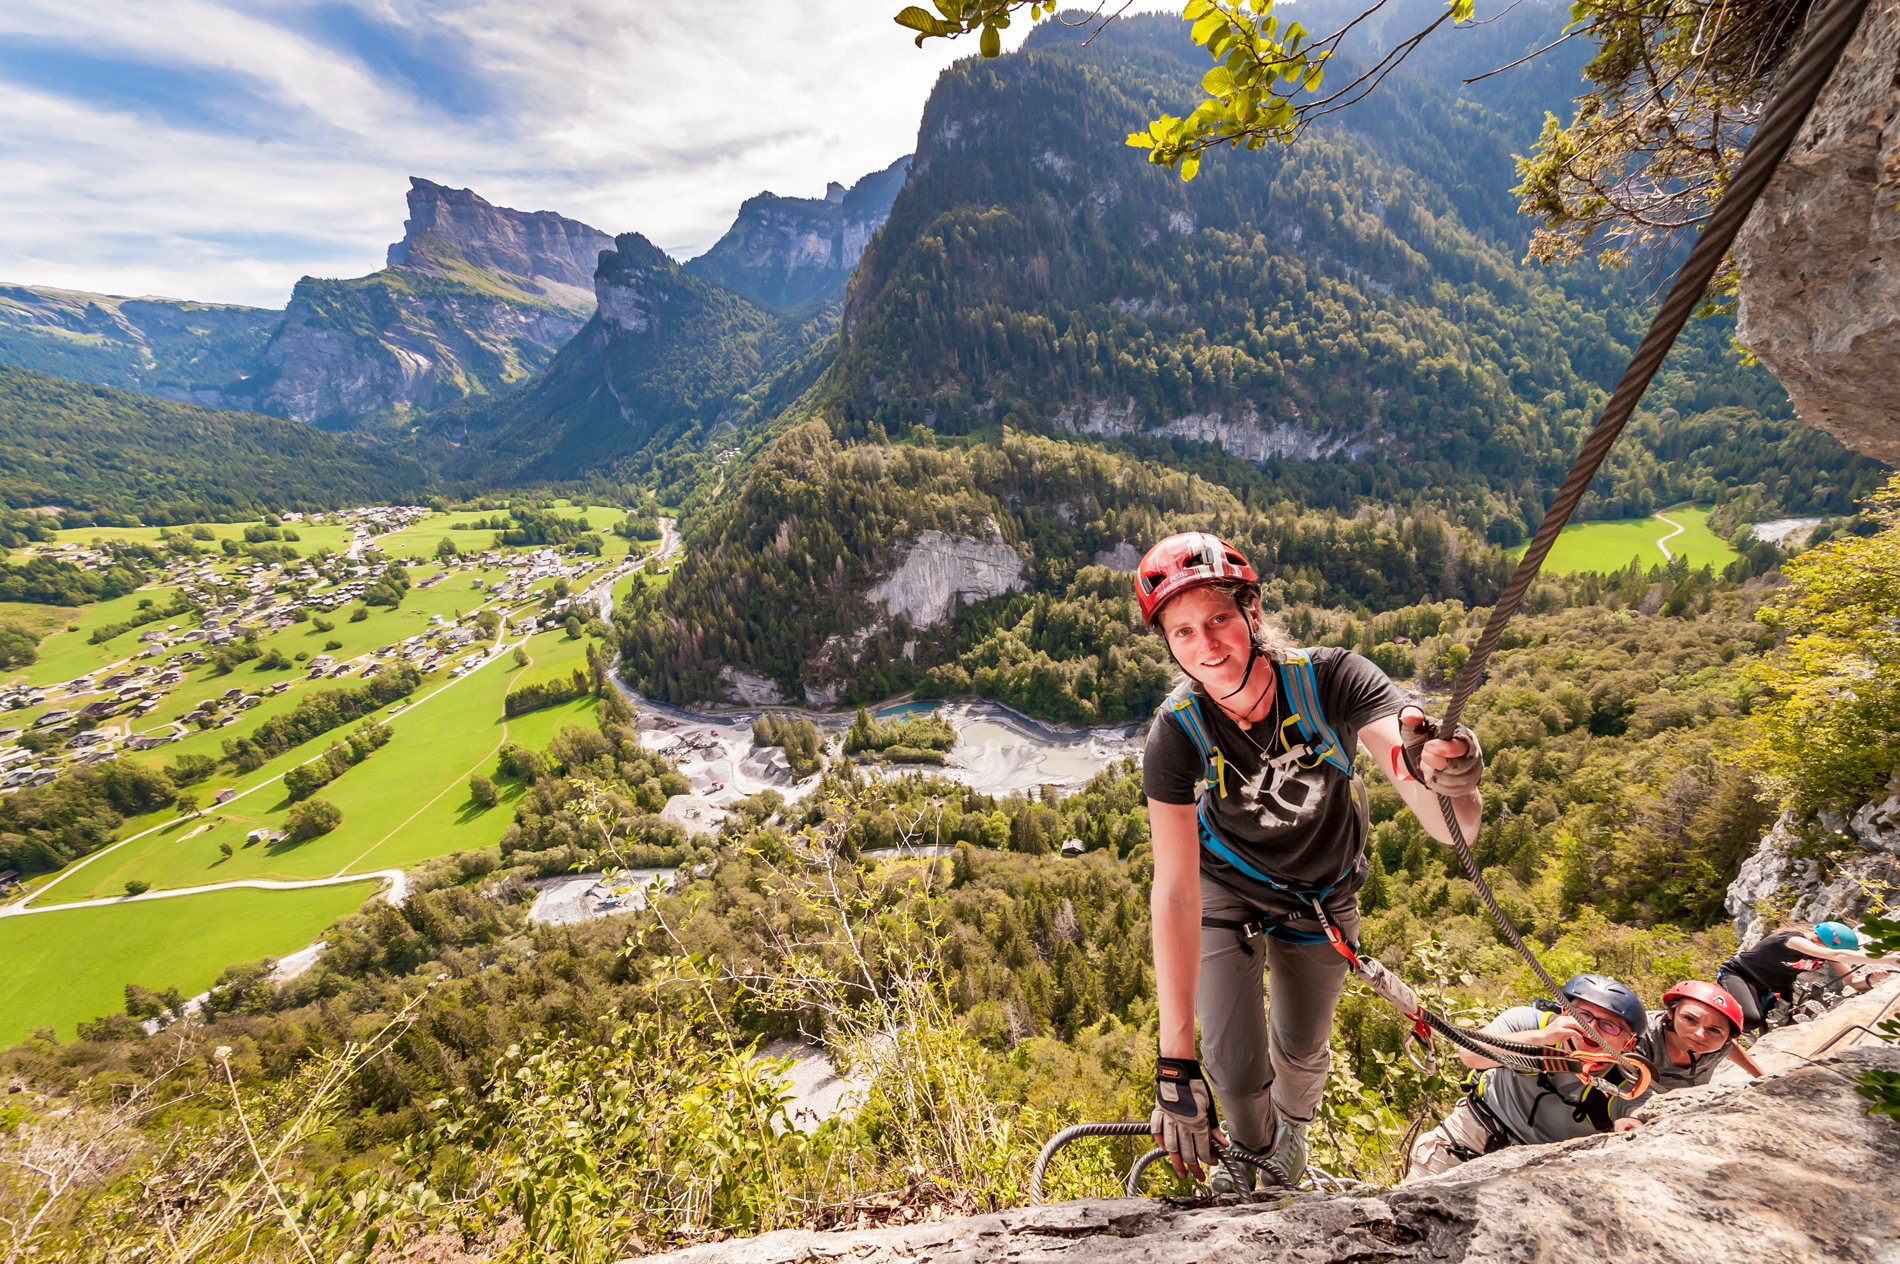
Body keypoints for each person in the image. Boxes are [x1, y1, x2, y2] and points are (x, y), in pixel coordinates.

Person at [1141, 532, 1484, 1189]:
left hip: (1321, 897)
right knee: (1234, 1067)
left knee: (1300, 1051)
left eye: (1218, 619)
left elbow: (1443, 822)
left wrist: (1451, 778)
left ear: (1252, 613)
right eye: (1182, 633)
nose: (1206, 647)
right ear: (1168, 645)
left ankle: (1289, 1148)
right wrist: (1174, 1063)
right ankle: (1254, 1163)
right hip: (1226, 890)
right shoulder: (1177, 732)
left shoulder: (1332, 680)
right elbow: (1177, 891)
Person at [1405, 973, 1652, 1181]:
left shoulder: (1628, 1080)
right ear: (1566, 1011)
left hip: (1536, 1169)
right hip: (1468, 1135)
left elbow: (1641, 1108)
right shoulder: (1528, 1020)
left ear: (1628, 1042)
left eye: (1609, 1025)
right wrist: (1541, 1037)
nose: (1591, 1028)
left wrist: (1633, 1122)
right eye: (1582, 1015)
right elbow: (1470, 1055)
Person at [1718, 921, 1895, 1034]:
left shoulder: (1825, 952)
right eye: (1829, 950)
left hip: (1776, 989)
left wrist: (1870, 979)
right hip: (1740, 974)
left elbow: (1852, 981)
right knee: (1749, 1021)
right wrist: (1887, 959)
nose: (1827, 955)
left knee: (1781, 1032)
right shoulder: (1791, 940)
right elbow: (1840, 955)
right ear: (1819, 940)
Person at [1636, 980, 1762, 1092]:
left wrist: (1763, 1079)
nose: (1699, 1034)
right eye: (1690, 1019)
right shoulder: (1639, 1035)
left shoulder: (1719, 1046)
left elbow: (1731, 1048)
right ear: (1670, 1012)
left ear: (1727, 1039)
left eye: (1714, 1030)